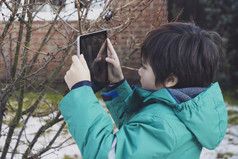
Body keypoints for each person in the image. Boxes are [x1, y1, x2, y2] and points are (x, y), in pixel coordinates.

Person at [59, 22, 227, 159]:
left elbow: (107, 153)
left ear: (170, 80)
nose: (139, 71)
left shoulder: (163, 124)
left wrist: (80, 91)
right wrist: (117, 84)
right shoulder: (183, 111)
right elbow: (137, 132)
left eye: (144, 67)